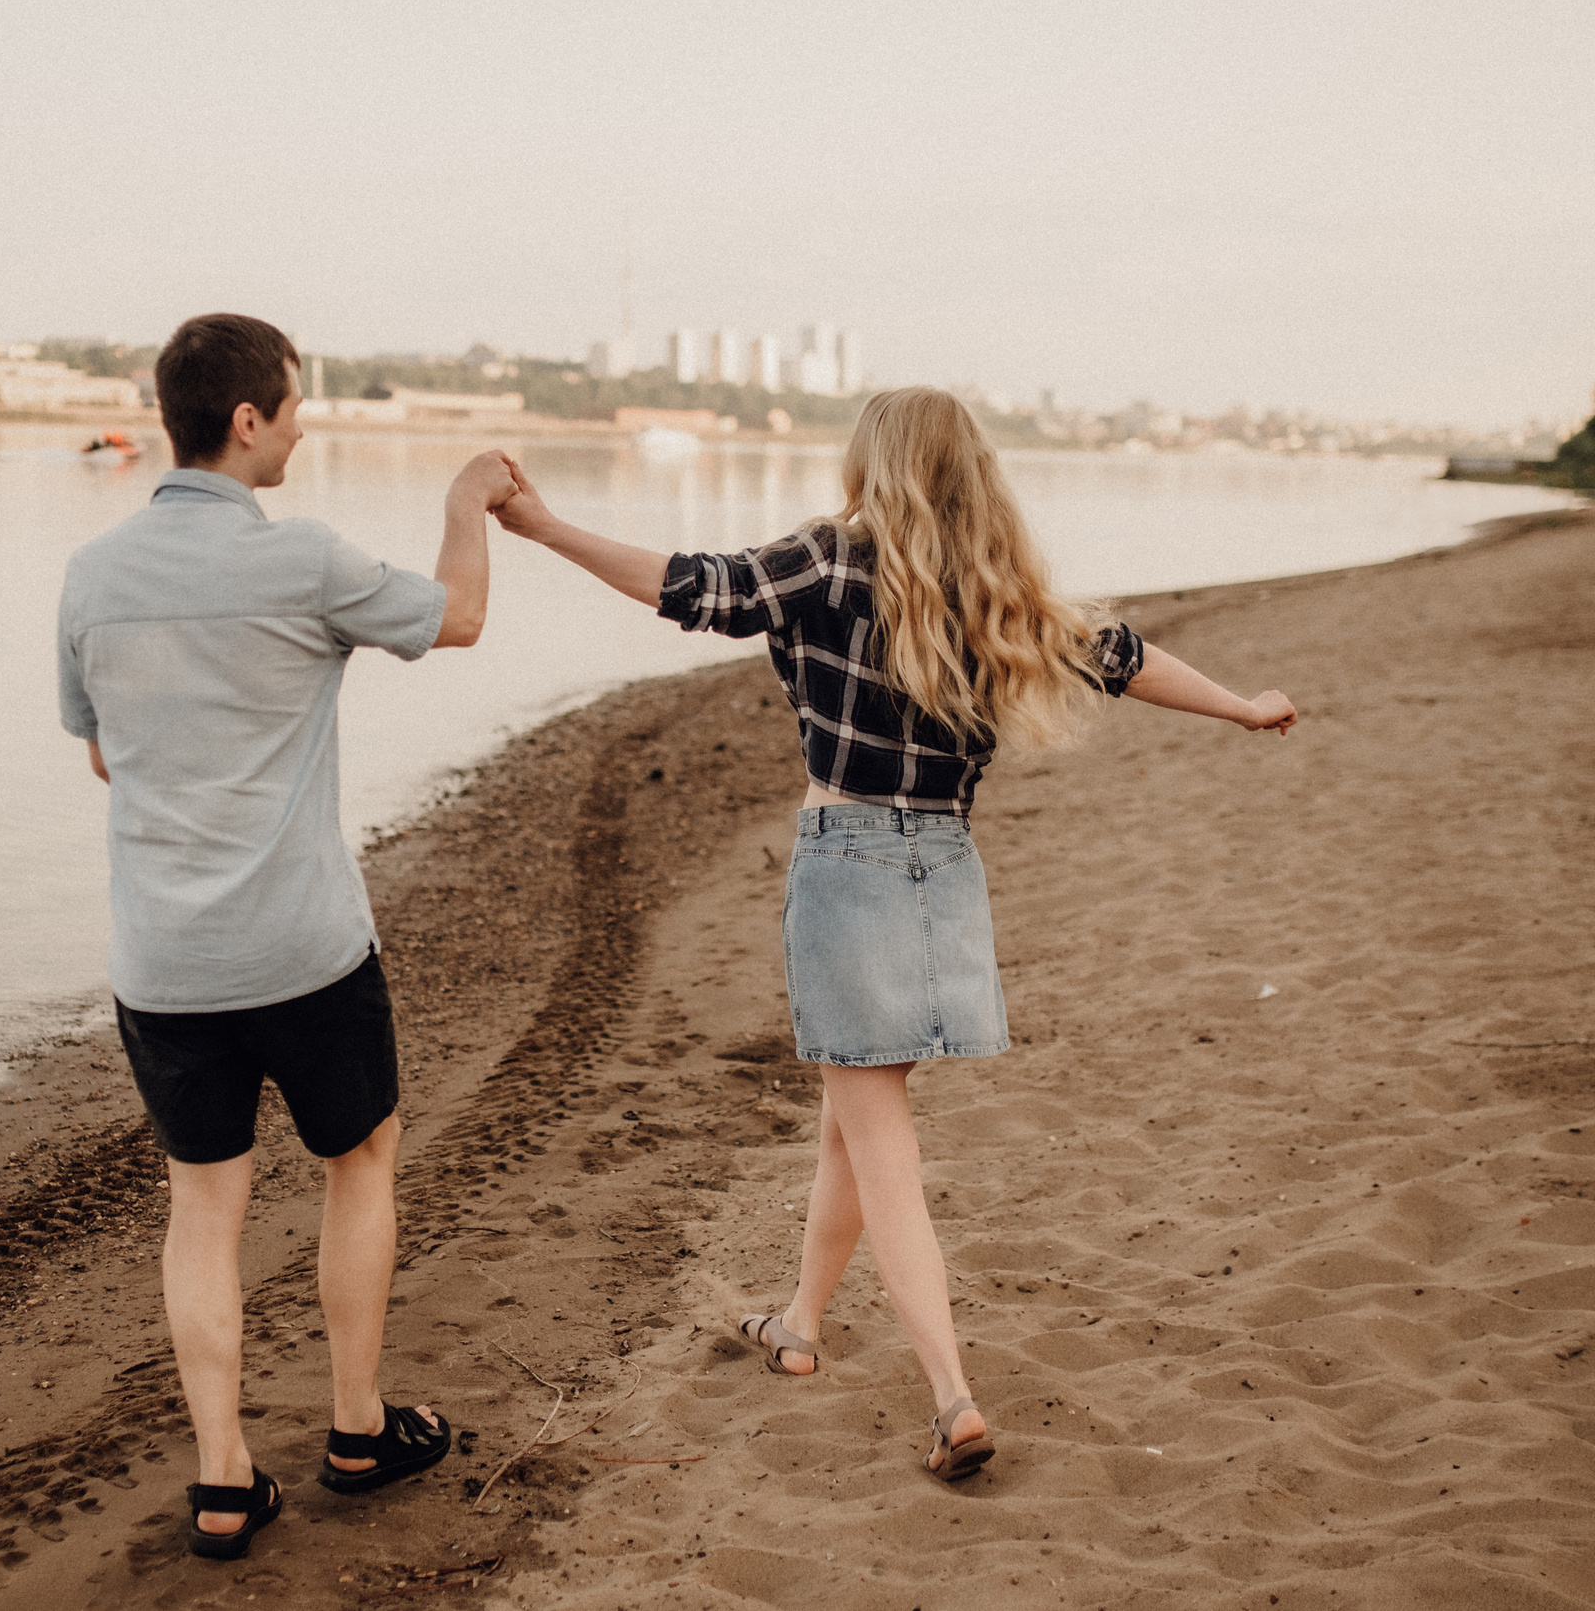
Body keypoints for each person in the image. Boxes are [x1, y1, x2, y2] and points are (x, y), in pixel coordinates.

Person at [492, 386, 1295, 1481]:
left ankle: (952, 1395)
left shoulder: (827, 561)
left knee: (881, 1146)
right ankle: (798, 1325)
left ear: (873, 463)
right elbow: (1125, 655)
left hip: (851, 867)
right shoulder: (995, 590)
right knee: (850, 1112)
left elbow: (692, 587)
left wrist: (544, 528)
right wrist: (1241, 703)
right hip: (946, 872)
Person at [56, 313, 517, 1557]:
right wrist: (467, 498)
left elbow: (107, 753)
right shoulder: (304, 560)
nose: (302, 423)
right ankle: (358, 1430)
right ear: (246, 419)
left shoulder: (92, 577)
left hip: (164, 960)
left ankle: (221, 1477)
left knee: (200, 1208)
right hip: (305, 946)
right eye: (294, 406)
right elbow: (459, 617)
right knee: (358, 1159)